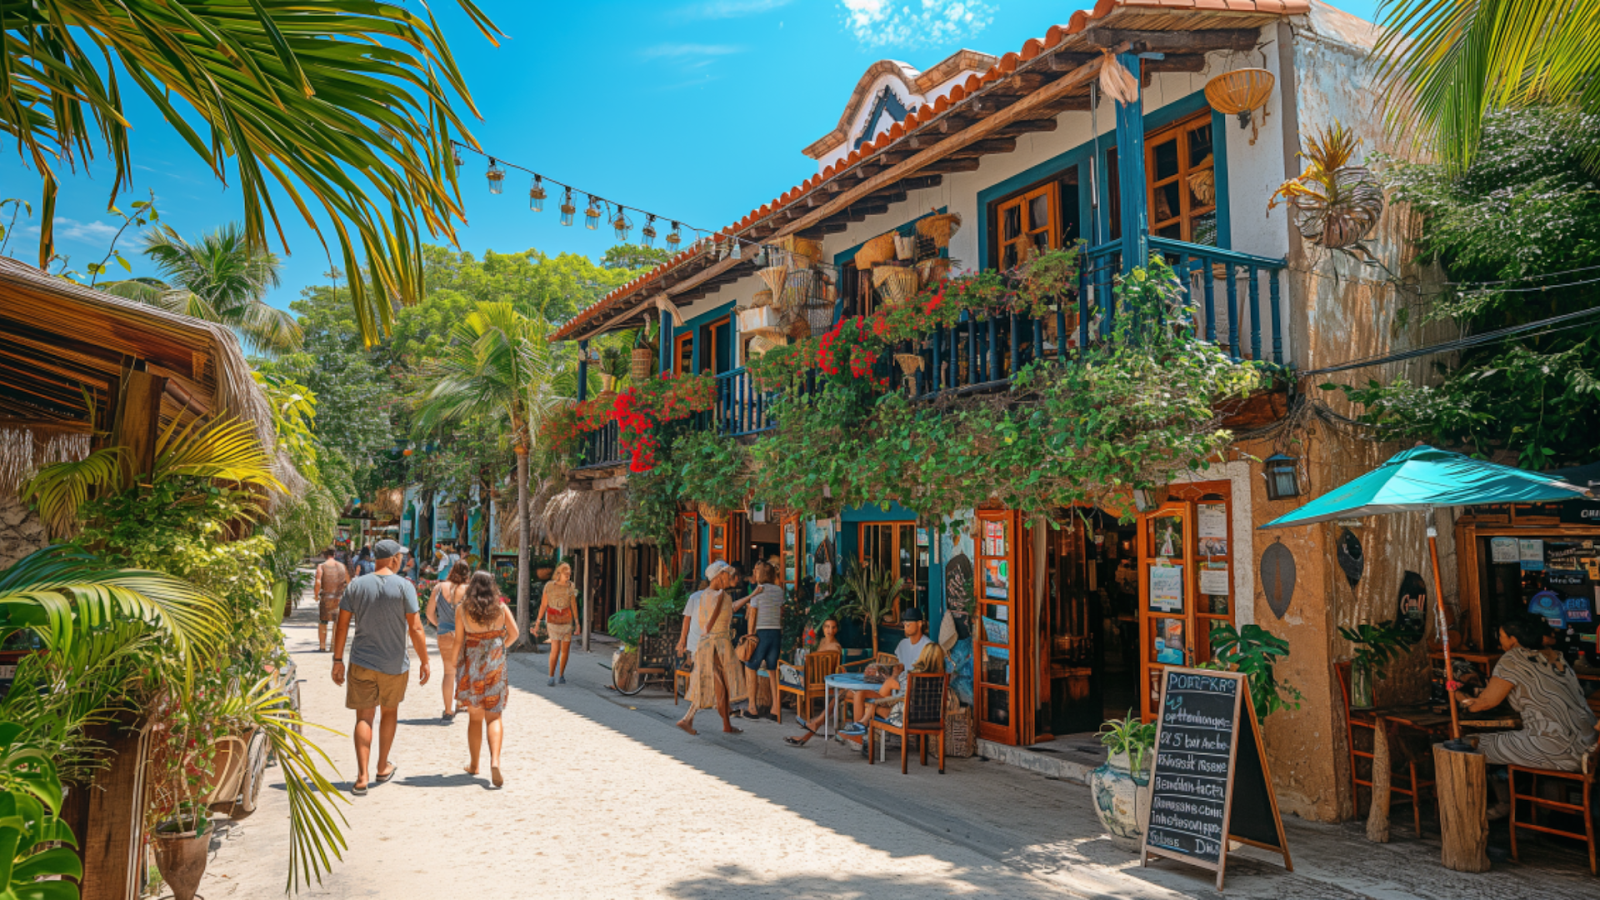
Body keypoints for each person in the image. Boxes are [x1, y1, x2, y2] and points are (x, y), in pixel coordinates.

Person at [1462, 613, 1599, 817]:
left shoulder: (1513, 658)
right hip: (1590, 746)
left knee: (1465, 744)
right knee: (1504, 739)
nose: (1499, 640)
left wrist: (1460, 699)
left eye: (1501, 635)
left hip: (1559, 749)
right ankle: (1507, 799)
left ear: (1513, 640)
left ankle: (1481, 810)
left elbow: (1485, 703)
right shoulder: (1556, 656)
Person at [330, 539, 429, 795]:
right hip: (394, 665)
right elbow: (416, 628)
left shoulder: (356, 586)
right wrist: (425, 660)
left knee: (364, 717)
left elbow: (341, 626)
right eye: (400, 557)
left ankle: (361, 777)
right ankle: (382, 766)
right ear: (394, 559)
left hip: (361, 661)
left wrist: (337, 660)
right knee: (388, 713)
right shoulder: (405, 587)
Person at [786, 635, 947, 748]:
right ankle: (817, 725)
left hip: (902, 714)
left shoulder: (910, 677)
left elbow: (893, 692)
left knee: (866, 698)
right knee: (849, 693)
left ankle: (856, 734)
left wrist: (894, 676)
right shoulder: (941, 680)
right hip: (921, 715)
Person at [454, 571, 516, 787]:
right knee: (494, 717)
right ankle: (495, 761)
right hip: (495, 664)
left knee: (475, 718)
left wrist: (454, 666)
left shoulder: (463, 609)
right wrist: (500, 648)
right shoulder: (500, 607)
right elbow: (514, 633)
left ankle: (473, 764)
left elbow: (458, 641)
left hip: (472, 664)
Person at [677, 562, 747, 736]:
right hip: (718, 644)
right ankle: (688, 719)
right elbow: (713, 619)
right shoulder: (721, 595)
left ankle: (725, 725)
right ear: (719, 576)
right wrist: (710, 630)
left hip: (706, 644)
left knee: (719, 686)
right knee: (717, 685)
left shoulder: (703, 595)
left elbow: (704, 620)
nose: (729, 578)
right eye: (726, 574)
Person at [842, 608, 931, 736]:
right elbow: (900, 665)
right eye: (904, 624)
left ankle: (863, 727)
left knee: (878, 695)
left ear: (919, 624)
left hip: (912, 690)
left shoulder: (927, 646)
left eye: (909, 624)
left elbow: (927, 674)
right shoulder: (903, 644)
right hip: (898, 688)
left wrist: (897, 678)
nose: (905, 627)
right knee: (859, 694)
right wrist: (893, 671)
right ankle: (859, 735)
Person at [734, 561, 785, 722]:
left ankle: (752, 707)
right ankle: (776, 709)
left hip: (761, 632)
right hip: (776, 632)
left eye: (756, 571)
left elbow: (753, 615)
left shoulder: (759, 590)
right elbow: (781, 611)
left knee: (750, 667)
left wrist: (749, 635)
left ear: (761, 574)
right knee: (772, 670)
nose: (754, 573)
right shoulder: (779, 591)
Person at [427, 561, 470, 721]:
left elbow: (429, 612)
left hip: (444, 633)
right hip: (463, 634)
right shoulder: (468, 590)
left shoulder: (439, 587)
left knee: (448, 672)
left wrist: (439, 624)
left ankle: (447, 710)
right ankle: (460, 704)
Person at [534, 562, 579, 686]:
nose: (568, 576)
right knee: (555, 648)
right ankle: (551, 675)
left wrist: (577, 622)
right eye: (566, 574)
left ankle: (561, 674)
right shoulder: (549, 586)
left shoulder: (571, 586)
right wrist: (538, 621)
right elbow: (543, 604)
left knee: (565, 649)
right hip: (553, 619)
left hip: (566, 619)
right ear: (559, 573)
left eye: (569, 574)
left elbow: (573, 604)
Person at [313, 547, 350, 653]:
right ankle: (333, 645)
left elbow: (318, 582)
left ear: (325, 555)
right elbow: (348, 581)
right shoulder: (342, 566)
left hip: (326, 598)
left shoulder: (322, 566)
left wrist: (316, 595)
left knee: (323, 622)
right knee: (336, 622)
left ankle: (322, 646)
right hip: (339, 598)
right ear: (334, 554)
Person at [676, 578, 711, 662]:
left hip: (695, 640)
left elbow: (686, 619)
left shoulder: (694, 597)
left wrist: (682, 639)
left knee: (697, 666)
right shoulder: (717, 597)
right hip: (709, 639)